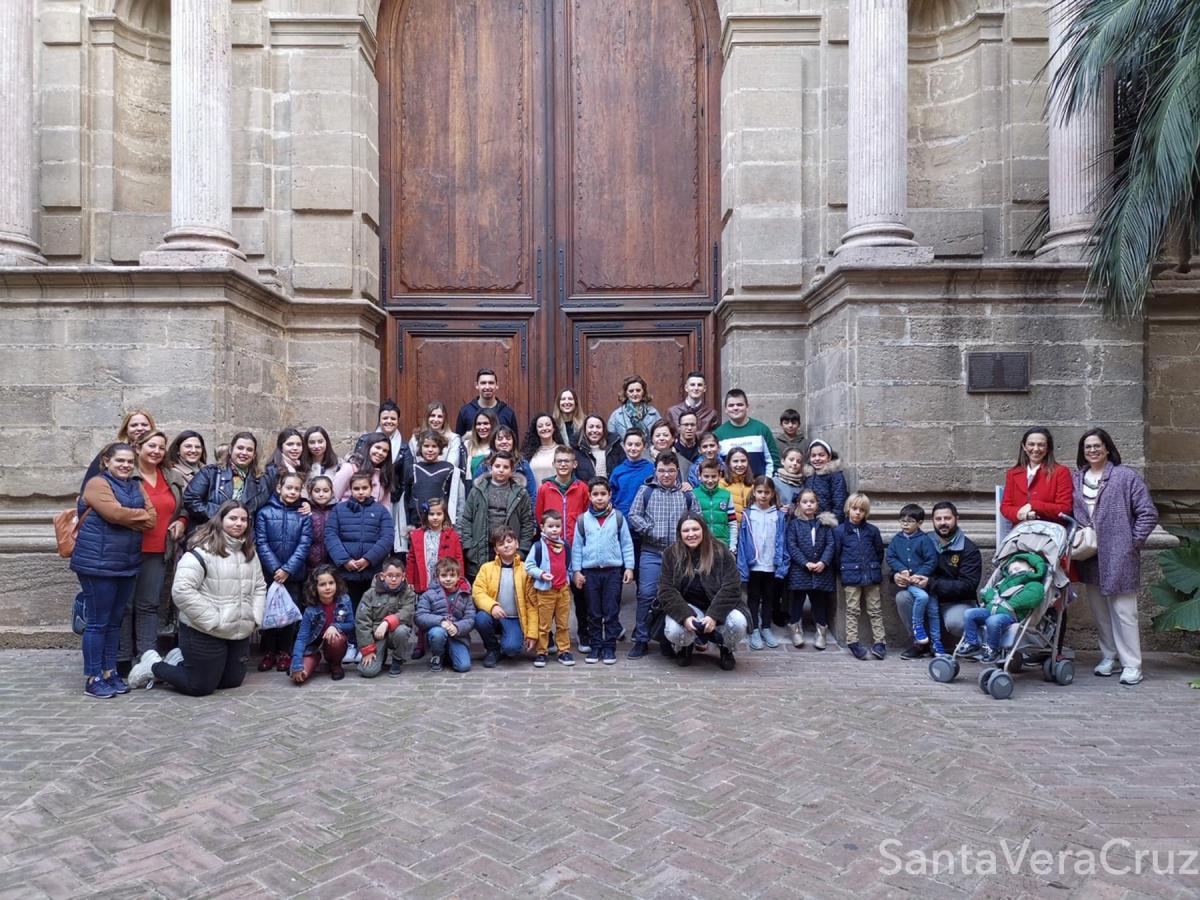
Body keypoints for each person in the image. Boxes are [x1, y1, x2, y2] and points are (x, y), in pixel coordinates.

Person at [128, 500, 265, 696]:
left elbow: (259, 586)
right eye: (233, 518)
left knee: (230, 681)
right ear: (220, 520)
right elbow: (182, 590)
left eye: (244, 520)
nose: (239, 523)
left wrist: (254, 618)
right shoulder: (202, 550)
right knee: (200, 686)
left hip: (237, 629)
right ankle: (154, 665)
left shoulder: (249, 552)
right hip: (204, 628)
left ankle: (179, 661)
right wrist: (213, 619)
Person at [1072, 428, 1158, 686]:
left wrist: (1131, 543)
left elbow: (1148, 513)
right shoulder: (1076, 479)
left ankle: (1132, 664)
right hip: (1089, 554)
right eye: (1088, 447)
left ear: (1107, 448)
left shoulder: (1125, 477)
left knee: (1124, 611)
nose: (1092, 450)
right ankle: (1109, 656)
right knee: (1099, 611)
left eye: (1097, 446)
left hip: (1119, 554)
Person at [73, 443, 158, 698]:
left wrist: (125, 516)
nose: (125, 465)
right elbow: (113, 514)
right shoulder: (97, 484)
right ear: (107, 461)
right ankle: (93, 678)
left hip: (126, 563)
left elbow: (152, 518)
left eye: (130, 462)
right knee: (97, 623)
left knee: (114, 622)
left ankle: (110, 672)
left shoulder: (135, 486)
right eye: (120, 460)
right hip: (96, 564)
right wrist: (132, 516)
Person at [121, 431, 186, 673]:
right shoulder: (126, 474)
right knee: (125, 606)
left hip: (159, 551)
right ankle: (122, 659)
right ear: (138, 448)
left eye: (161, 447)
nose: (156, 451)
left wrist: (182, 521)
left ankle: (146, 657)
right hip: (127, 549)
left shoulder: (171, 476)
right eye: (151, 446)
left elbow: (184, 506)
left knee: (149, 605)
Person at [627, 452, 700, 658]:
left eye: (670, 471)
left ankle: (667, 639)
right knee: (646, 594)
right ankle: (641, 639)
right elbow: (634, 515)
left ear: (677, 471)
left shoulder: (686, 493)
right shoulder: (646, 491)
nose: (666, 475)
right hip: (652, 551)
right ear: (655, 471)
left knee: (674, 595)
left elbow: (697, 518)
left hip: (679, 554)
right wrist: (649, 530)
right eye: (661, 471)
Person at [658, 514, 749, 670]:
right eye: (686, 530)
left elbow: (732, 586)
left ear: (703, 530)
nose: (691, 534)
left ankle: (726, 647)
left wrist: (714, 615)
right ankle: (685, 646)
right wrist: (685, 616)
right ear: (680, 533)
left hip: (719, 606)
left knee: (738, 623)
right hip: (689, 607)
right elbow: (666, 589)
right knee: (674, 630)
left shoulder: (721, 550)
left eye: (695, 529)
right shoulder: (671, 554)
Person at [894, 501, 983, 654]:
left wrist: (931, 583)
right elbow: (903, 559)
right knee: (903, 598)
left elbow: (968, 585)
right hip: (927, 596)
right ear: (932, 521)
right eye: (938, 519)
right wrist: (896, 575)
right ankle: (921, 643)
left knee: (956, 622)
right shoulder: (923, 540)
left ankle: (976, 643)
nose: (943, 523)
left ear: (956, 519)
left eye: (947, 518)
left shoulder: (969, 549)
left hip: (956, 601)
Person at [254, 471, 313, 673]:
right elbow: (261, 542)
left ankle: (285, 652)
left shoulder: (303, 515)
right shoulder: (264, 513)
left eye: (297, 489)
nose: (292, 492)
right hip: (270, 573)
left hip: (293, 574)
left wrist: (287, 569)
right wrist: (275, 568)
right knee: (270, 612)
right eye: (289, 487)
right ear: (279, 488)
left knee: (289, 614)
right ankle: (269, 651)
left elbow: (304, 543)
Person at [572, 477, 635, 665]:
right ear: (589, 496)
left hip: (613, 572)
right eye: (595, 494)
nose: (599, 498)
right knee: (593, 612)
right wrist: (576, 571)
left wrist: (629, 567)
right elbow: (577, 547)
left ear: (610, 495)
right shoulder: (583, 520)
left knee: (611, 611)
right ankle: (595, 646)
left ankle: (609, 647)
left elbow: (626, 544)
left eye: (603, 494)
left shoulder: (618, 518)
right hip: (590, 573)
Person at [535, 446, 590, 651]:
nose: (563, 464)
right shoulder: (545, 488)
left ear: (574, 464)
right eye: (559, 461)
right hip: (551, 550)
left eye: (567, 461)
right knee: (549, 593)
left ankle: (583, 633)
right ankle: (548, 636)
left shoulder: (582, 488)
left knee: (580, 593)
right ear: (554, 464)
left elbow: (586, 515)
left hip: (576, 547)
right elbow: (539, 515)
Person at [956, 552, 1048, 663]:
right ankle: (971, 643)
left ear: (1031, 570)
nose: (1013, 572)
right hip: (991, 610)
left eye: (1017, 569)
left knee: (993, 621)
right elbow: (992, 592)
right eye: (1010, 571)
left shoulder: (1034, 585)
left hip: (1010, 615)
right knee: (969, 614)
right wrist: (988, 595)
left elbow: (1032, 597)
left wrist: (1009, 604)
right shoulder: (1003, 583)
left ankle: (993, 649)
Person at [460, 451, 535, 580]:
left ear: (512, 470)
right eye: (497, 466)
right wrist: (469, 547)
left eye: (506, 467)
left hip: (508, 550)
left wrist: (522, 551)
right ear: (491, 468)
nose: (501, 470)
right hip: (481, 549)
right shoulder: (477, 491)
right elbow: (467, 519)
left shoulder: (520, 494)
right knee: (482, 587)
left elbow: (527, 524)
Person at [324, 472, 396, 609]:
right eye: (356, 488)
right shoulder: (338, 510)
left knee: (370, 610)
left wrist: (368, 559)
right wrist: (345, 560)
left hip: (372, 572)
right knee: (345, 610)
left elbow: (387, 538)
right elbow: (330, 535)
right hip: (344, 572)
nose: (361, 492)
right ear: (350, 489)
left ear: (371, 488)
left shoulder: (381, 511)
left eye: (364, 488)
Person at [736, 476, 788, 650]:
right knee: (753, 597)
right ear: (754, 492)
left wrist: (782, 563)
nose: (763, 495)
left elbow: (783, 540)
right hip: (754, 564)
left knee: (769, 597)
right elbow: (743, 541)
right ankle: (754, 629)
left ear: (772, 493)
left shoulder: (779, 515)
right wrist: (743, 566)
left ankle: (766, 627)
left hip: (771, 563)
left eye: (767, 492)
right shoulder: (748, 514)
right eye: (759, 492)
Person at [472, 526, 535, 667]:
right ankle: (493, 648)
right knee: (481, 618)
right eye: (501, 544)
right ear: (496, 550)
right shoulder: (486, 568)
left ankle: (505, 646)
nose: (506, 546)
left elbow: (532, 604)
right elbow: (478, 592)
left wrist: (532, 633)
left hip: (515, 618)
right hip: (494, 616)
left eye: (509, 541)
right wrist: (492, 606)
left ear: (517, 544)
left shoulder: (527, 569)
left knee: (511, 649)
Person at [785, 488, 838, 650]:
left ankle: (821, 631)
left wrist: (823, 562)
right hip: (800, 570)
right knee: (797, 600)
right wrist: (804, 562)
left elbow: (830, 544)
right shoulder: (794, 524)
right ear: (799, 504)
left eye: (812, 502)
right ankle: (795, 629)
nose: (809, 505)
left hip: (820, 570)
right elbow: (792, 545)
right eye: (805, 502)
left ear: (817, 504)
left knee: (818, 600)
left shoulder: (824, 524)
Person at [887, 503, 942, 658]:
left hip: (924, 582)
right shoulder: (896, 539)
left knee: (933, 611)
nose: (905, 524)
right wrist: (901, 569)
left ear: (920, 523)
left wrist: (920, 574)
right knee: (922, 597)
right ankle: (918, 628)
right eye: (902, 521)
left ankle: (937, 643)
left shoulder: (924, 540)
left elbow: (931, 560)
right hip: (910, 583)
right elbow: (890, 557)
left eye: (910, 521)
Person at [836, 492, 886, 661]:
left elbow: (879, 552)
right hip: (851, 577)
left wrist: (873, 568)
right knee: (852, 610)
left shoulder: (872, 531)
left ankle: (880, 642)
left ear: (866, 512)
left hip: (871, 576)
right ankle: (852, 641)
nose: (858, 513)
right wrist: (844, 572)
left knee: (875, 610)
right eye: (854, 509)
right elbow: (837, 555)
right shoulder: (840, 531)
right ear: (848, 509)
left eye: (862, 510)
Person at [184, 431, 271, 523]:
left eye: (249, 450)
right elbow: (191, 499)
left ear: (254, 455)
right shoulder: (211, 473)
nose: (244, 453)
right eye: (240, 448)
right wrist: (224, 516)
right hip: (212, 528)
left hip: (243, 531)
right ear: (230, 450)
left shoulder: (261, 480)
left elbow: (262, 511)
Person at [525, 510, 576, 667]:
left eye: (557, 526)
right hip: (545, 591)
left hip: (563, 590)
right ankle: (541, 651)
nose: (554, 529)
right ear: (542, 527)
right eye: (551, 526)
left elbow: (569, 565)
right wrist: (541, 574)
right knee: (544, 624)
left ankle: (564, 650)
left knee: (563, 623)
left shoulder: (565, 545)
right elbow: (529, 566)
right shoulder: (538, 546)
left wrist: (571, 578)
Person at [289, 564, 355, 683]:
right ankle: (314, 659)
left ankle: (335, 665)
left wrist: (335, 626)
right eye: (322, 584)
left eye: (331, 583)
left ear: (336, 583)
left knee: (336, 638)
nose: (328, 587)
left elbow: (351, 625)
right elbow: (301, 638)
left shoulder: (345, 600)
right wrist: (296, 664)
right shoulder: (310, 610)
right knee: (300, 677)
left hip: (333, 643)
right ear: (314, 587)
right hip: (313, 647)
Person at [355, 556, 415, 678]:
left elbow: (407, 612)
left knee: (402, 631)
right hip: (376, 635)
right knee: (368, 672)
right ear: (382, 576)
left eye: (397, 576)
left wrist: (387, 622)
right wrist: (367, 649)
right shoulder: (369, 594)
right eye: (390, 575)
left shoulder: (408, 594)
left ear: (403, 576)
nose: (394, 579)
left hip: (395, 633)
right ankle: (380, 657)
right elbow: (362, 621)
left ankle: (397, 660)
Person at [1000, 427, 1073, 527]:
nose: (1035, 449)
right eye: (1031, 444)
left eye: (1041, 445)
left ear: (1048, 448)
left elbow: (1065, 508)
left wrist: (1033, 505)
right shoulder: (1013, 473)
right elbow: (1005, 507)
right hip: (1021, 530)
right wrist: (1022, 514)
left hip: (1050, 531)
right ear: (1024, 446)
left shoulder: (1061, 472)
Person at [418, 557, 477, 673]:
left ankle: (449, 653)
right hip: (438, 631)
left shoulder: (466, 595)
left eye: (452, 575)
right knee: (437, 633)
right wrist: (441, 621)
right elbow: (420, 615)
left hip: (458, 636)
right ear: (437, 577)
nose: (448, 579)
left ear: (458, 576)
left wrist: (457, 627)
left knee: (463, 666)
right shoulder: (428, 594)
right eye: (444, 575)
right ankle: (437, 656)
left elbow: (470, 618)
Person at [79, 409, 157, 490]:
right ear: (126, 430)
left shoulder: (159, 453)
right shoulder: (111, 451)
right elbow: (89, 484)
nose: (140, 428)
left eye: (144, 425)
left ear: (152, 428)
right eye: (134, 425)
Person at [714, 389, 780, 477]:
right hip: (729, 484)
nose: (735, 408)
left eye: (740, 405)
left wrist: (766, 482)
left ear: (747, 407)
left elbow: (774, 460)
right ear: (725, 409)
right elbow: (715, 464)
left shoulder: (762, 430)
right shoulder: (718, 434)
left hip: (759, 484)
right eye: (731, 405)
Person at [405, 430, 465, 526]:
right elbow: (406, 499)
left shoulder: (449, 469)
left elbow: (459, 500)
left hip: (442, 525)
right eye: (426, 446)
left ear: (440, 448)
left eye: (434, 446)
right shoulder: (413, 469)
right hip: (417, 525)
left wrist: (456, 525)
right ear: (420, 447)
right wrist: (408, 524)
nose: (430, 450)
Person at [473, 425, 538, 507]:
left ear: (513, 442)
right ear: (493, 442)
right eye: (500, 439)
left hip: (518, 512)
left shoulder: (523, 465)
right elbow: (475, 494)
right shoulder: (484, 466)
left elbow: (532, 494)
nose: (504, 441)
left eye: (508, 438)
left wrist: (529, 513)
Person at [332, 432, 396, 502]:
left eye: (385, 451)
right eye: (377, 447)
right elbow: (333, 497)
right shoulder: (350, 468)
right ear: (368, 447)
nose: (380, 452)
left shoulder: (384, 474)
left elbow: (385, 504)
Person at [454, 367, 519, 435]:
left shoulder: (508, 413)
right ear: (476, 385)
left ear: (497, 385)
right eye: (483, 383)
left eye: (491, 383)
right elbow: (459, 440)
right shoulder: (465, 412)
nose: (487, 387)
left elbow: (514, 440)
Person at [408, 401, 465, 474]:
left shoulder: (453, 439)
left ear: (444, 419)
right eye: (432, 415)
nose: (435, 420)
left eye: (440, 416)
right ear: (427, 417)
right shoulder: (415, 438)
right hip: (420, 477)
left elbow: (452, 465)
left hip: (444, 478)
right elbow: (411, 467)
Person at [693, 458, 737, 551]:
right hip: (701, 546)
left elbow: (732, 523)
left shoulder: (726, 495)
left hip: (722, 545)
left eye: (713, 476)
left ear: (720, 476)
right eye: (706, 476)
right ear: (699, 475)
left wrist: (732, 546)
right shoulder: (693, 494)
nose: (710, 480)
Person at [609, 430, 654, 519]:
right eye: (629, 444)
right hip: (621, 518)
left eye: (637, 445)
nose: (633, 448)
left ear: (644, 447)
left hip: (645, 518)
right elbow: (611, 495)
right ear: (623, 446)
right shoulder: (618, 471)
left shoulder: (651, 469)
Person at [801, 439, 848, 524]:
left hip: (827, 523)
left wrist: (833, 521)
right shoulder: (808, 476)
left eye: (821, 455)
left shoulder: (835, 476)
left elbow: (839, 502)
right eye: (813, 456)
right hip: (809, 520)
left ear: (829, 457)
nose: (817, 458)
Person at [607, 374, 662, 439]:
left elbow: (660, 435)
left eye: (638, 390)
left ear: (643, 392)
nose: (635, 394)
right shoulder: (616, 416)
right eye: (631, 391)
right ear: (626, 393)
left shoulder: (654, 413)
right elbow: (611, 440)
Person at [572, 414, 625, 481]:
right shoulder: (577, 449)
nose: (594, 430)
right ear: (585, 429)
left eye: (598, 427)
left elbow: (623, 469)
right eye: (591, 427)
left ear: (603, 430)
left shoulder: (614, 446)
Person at [303, 475, 336, 570]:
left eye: (325, 491)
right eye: (317, 491)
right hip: (309, 563)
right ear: (310, 492)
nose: (321, 494)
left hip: (332, 563)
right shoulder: (305, 510)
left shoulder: (337, 510)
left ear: (332, 492)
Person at [522, 412, 560, 486]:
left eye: (548, 425)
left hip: (556, 492)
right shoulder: (528, 453)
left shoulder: (562, 450)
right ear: (536, 430)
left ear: (553, 428)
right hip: (535, 493)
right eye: (540, 426)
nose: (544, 428)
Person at [720, 447, 755, 523]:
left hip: (750, 528)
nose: (740, 464)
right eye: (735, 461)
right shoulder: (721, 485)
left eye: (743, 461)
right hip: (731, 528)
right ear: (729, 463)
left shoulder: (753, 485)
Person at [462, 410, 497, 485]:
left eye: (486, 423)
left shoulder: (499, 446)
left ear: (493, 425)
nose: (482, 427)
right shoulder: (466, 446)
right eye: (478, 424)